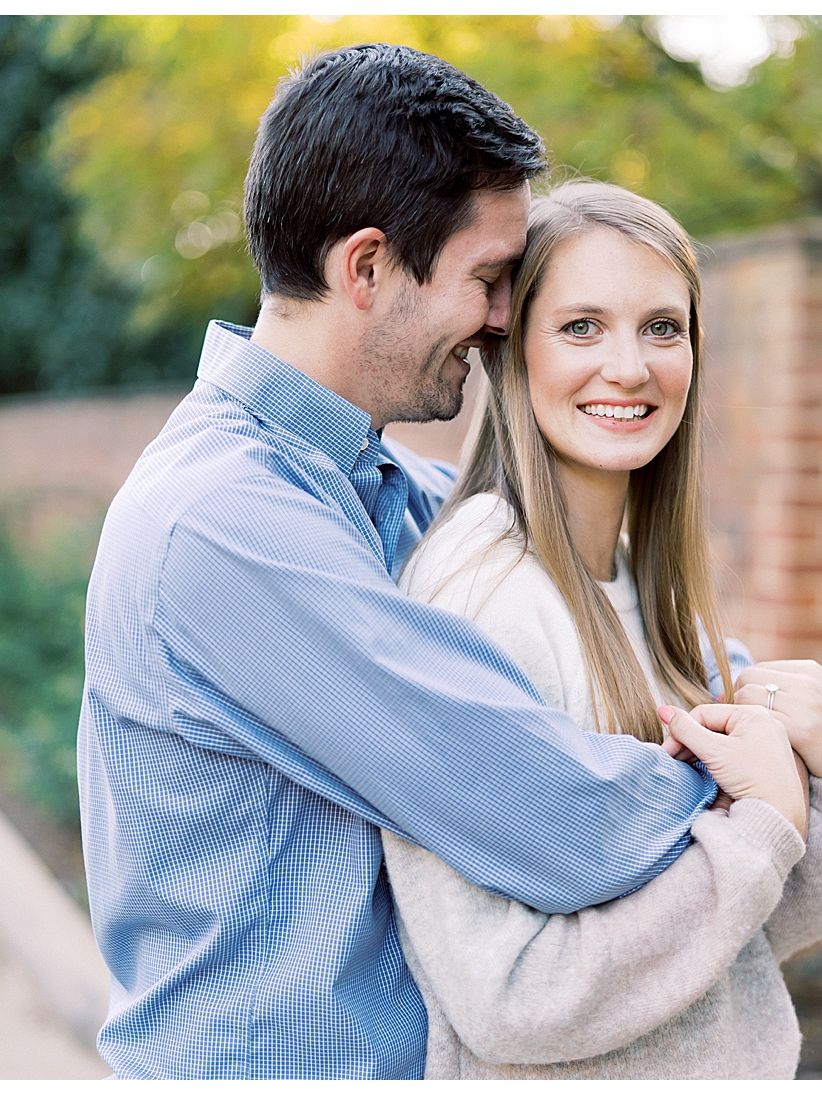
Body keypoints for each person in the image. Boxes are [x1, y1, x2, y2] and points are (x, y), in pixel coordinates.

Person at [77, 44, 740, 1080]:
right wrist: (766, 796)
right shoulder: (220, 525)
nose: (501, 321)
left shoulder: (385, 492)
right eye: (487, 280)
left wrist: (755, 696)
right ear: (368, 267)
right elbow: (560, 818)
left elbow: (595, 606)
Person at [386, 179, 822, 1078]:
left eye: (662, 327)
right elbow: (512, 997)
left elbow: (751, 927)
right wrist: (761, 824)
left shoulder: (642, 583)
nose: (630, 367)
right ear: (512, 351)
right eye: (581, 326)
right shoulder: (482, 601)